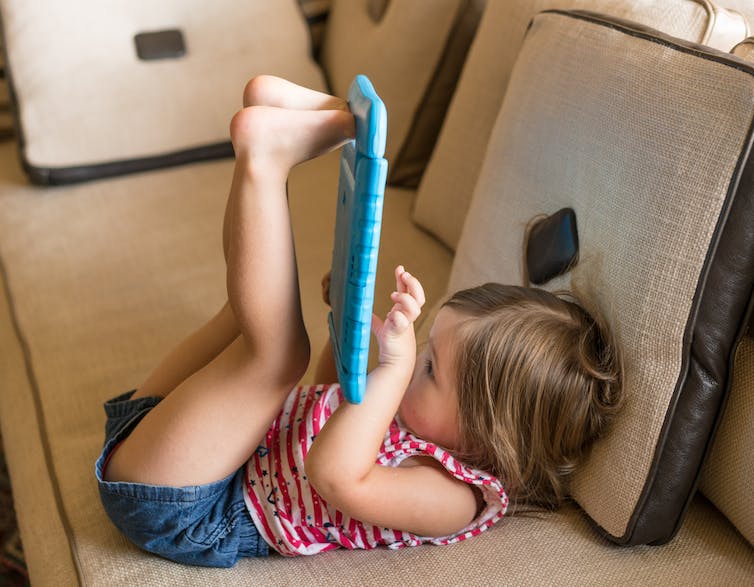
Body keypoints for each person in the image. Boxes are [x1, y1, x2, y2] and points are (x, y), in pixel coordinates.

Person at [95, 76, 623, 567]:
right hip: (189, 443)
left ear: (490, 436)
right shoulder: (418, 421)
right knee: (250, 309)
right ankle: (278, 142)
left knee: (277, 355)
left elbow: (334, 475)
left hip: (185, 505)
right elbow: (325, 406)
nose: (413, 366)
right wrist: (341, 330)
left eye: (431, 369)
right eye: (425, 354)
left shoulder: (456, 498)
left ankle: (265, 160)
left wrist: (390, 374)